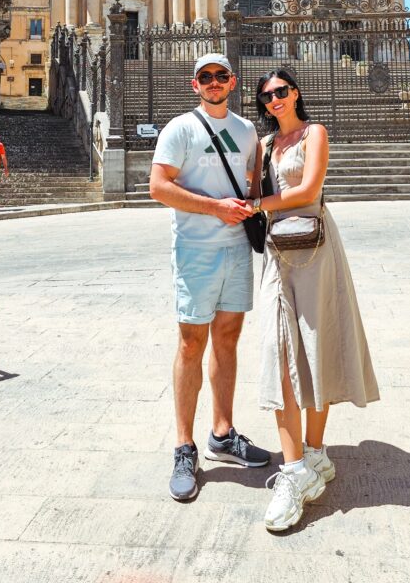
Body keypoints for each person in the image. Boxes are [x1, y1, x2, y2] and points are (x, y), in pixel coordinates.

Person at [247, 67, 380, 532]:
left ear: (296, 93)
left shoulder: (314, 133)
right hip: (276, 251)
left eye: (281, 91)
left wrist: (257, 205)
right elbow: (250, 189)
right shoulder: (263, 147)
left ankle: (315, 452)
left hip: (315, 246)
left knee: (314, 341)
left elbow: (306, 190)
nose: (275, 100)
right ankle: (293, 469)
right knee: (277, 351)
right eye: (267, 95)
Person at [149, 53, 271, 504]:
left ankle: (222, 432)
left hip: (237, 248)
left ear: (233, 82)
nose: (214, 82)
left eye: (221, 76)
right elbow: (158, 187)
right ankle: (184, 447)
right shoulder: (180, 128)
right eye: (206, 77)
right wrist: (214, 207)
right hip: (196, 251)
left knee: (228, 338)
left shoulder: (246, 130)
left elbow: (254, 184)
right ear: (194, 83)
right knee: (190, 343)